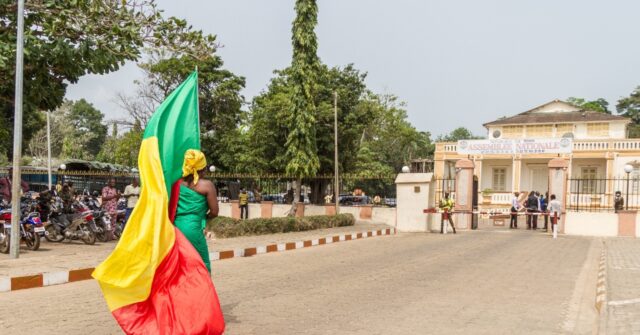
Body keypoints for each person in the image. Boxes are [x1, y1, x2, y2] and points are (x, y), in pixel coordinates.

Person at [174, 149, 219, 273]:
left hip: (175, 229)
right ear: (202, 169)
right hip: (193, 229)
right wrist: (203, 217)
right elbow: (214, 211)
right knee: (202, 266)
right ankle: (203, 292)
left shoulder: (176, 184)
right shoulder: (207, 185)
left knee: (181, 267)